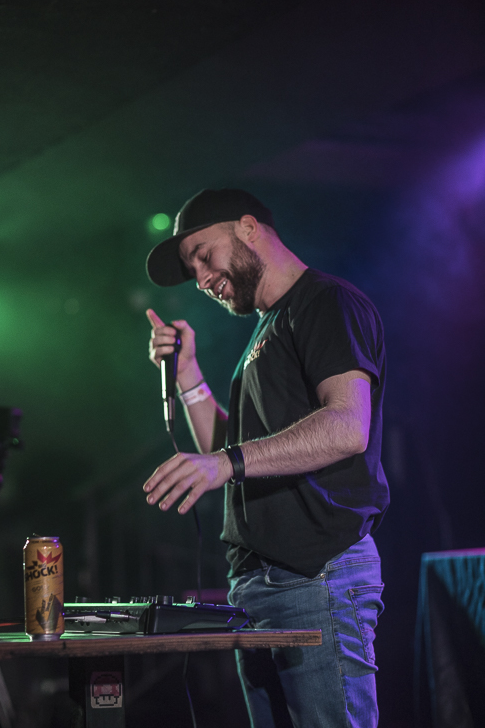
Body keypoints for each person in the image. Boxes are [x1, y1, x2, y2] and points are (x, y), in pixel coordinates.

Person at [145, 188, 389, 728]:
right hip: (260, 586)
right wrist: (187, 374)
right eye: (192, 270)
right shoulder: (266, 329)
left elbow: (347, 426)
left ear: (249, 228)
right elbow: (230, 453)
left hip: (316, 574)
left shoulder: (325, 302)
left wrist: (226, 461)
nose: (201, 278)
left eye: (203, 255)